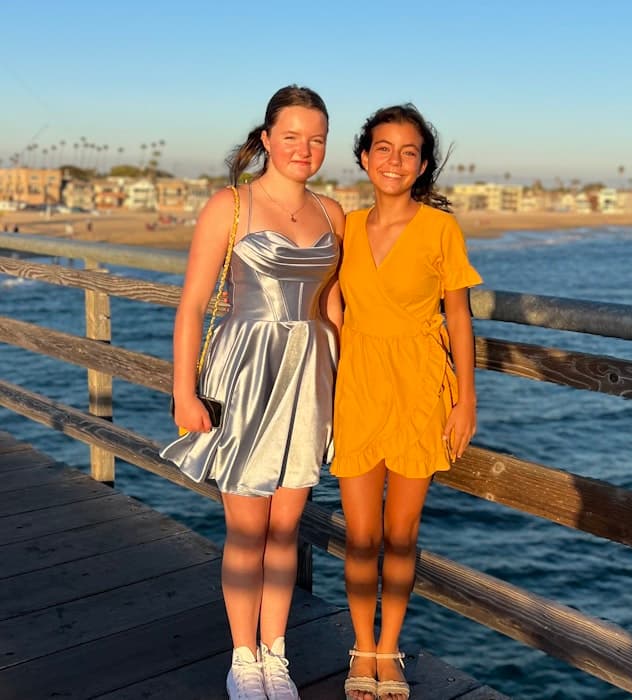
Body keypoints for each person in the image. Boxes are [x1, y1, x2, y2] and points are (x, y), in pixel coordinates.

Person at [160, 85, 344, 700]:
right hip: (244, 376)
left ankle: (276, 655)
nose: (304, 148)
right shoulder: (229, 205)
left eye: (316, 137)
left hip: (309, 379)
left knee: (286, 528)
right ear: (266, 138)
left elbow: (334, 309)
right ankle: (243, 659)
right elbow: (190, 308)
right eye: (291, 135)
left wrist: (342, 392)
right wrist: (183, 392)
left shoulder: (332, 212)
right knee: (247, 529)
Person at [331, 105, 482, 700]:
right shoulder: (344, 224)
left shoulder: (440, 229)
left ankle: (388, 647)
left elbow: (459, 318)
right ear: (365, 157)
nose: (395, 160)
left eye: (409, 151)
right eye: (384, 148)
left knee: (401, 532)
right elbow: (324, 303)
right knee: (361, 535)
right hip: (358, 384)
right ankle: (359, 648)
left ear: (423, 164)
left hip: (421, 388)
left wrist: (465, 400)